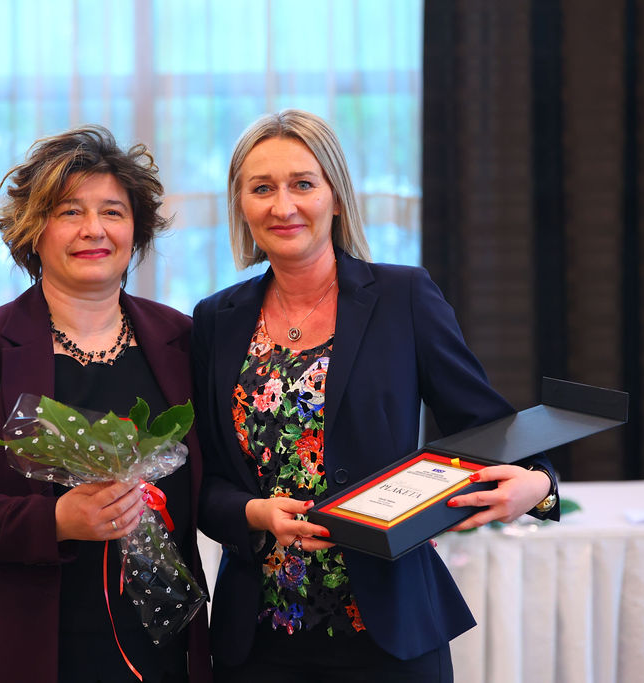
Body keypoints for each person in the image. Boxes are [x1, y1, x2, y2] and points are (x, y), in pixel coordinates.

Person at [191, 109, 559, 682]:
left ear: (337, 197)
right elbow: (206, 481)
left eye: (303, 184)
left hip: (390, 629)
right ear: (240, 204)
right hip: (259, 637)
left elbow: (490, 429)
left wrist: (540, 485)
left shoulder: (403, 296)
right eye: (261, 188)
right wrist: (253, 513)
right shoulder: (216, 319)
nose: (283, 206)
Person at [0, 125, 211, 683]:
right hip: (13, 643)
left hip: (155, 643)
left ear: (136, 229)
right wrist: (55, 519)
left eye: (112, 212)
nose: (93, 229)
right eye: (70, 212)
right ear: (35, 230)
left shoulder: (181, 339)